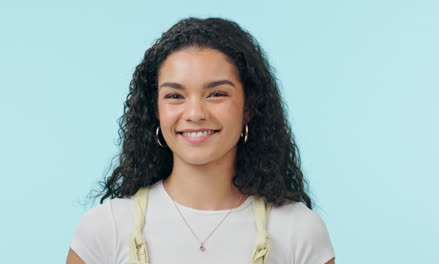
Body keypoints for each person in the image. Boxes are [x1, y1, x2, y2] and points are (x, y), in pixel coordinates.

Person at [67, 17, 335, 264]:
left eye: (216, 94)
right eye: (175, 96)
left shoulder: (299, 230)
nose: (195, 113)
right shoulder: (105, 229)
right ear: (156, 109)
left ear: (249, 106)